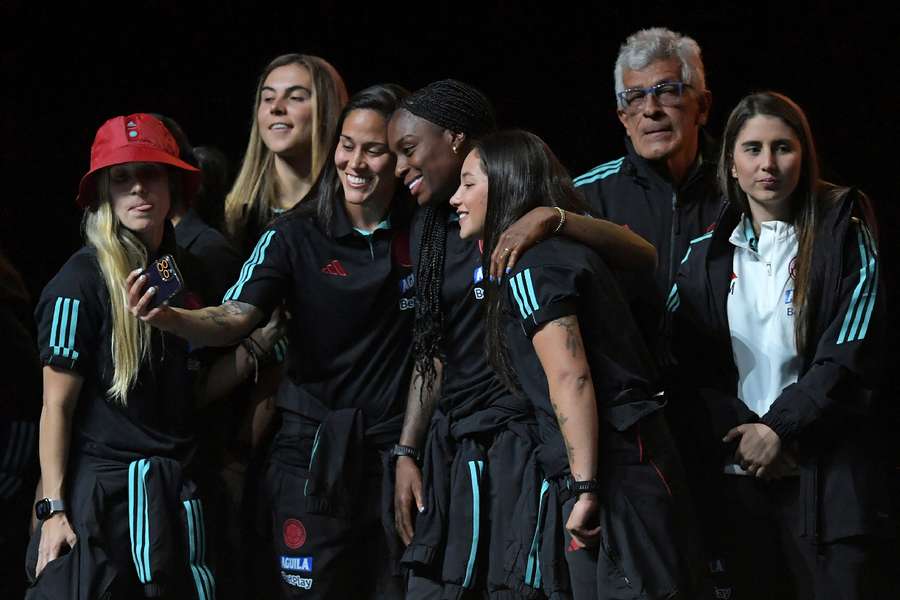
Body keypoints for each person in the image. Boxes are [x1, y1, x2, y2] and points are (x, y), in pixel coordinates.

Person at [128, 84, 416, 599]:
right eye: (266, 97)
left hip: (372, 447)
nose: (138, 191)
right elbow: (221, 306)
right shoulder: (214, 234)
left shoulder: (204, 243)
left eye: (151, 174)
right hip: (244, 446)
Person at [386, 80, 658, 598]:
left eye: (408, 149)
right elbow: (431, 350)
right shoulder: (432, 230)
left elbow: (642, 259)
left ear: (455, 139)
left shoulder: (538, 226)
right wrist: (407, 449)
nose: (399, 167)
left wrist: (553, 218)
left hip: (528, 445)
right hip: (459, 444)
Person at [451, 129, 700, 599]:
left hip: (612, 470)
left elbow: (571, 376)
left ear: (504, 183)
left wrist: (585, 488)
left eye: (468, 183)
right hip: (631, 458)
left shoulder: (533, 267)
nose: (454, 198)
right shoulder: (565, 251)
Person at [669, 91, 892, 598]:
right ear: (730, 160)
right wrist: (746, 435)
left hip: (828, 485)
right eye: (752, 149)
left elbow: (850, 349)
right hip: (739, 483)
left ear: (804, 155)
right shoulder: (703, 254)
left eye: (782, 147)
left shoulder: (844, 228)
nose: (767, 163)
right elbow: (683, 365)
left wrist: (781, 430)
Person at [27, 113, 216, 599]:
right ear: (103, 194)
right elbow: (56, 407)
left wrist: (262, 344)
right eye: (122, 178)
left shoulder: (180, 270)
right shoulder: (78, 282)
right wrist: (53, 511)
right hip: (103, 504)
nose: (138, 189)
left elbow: (190, 390)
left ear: (173, 185)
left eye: (150, 174)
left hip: (176, 494)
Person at [224, 53, 348, 254]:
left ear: (327, 110)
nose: (276, 107)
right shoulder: (233, 218)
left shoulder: (348, 211)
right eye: (268, 98)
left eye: (296, 97)